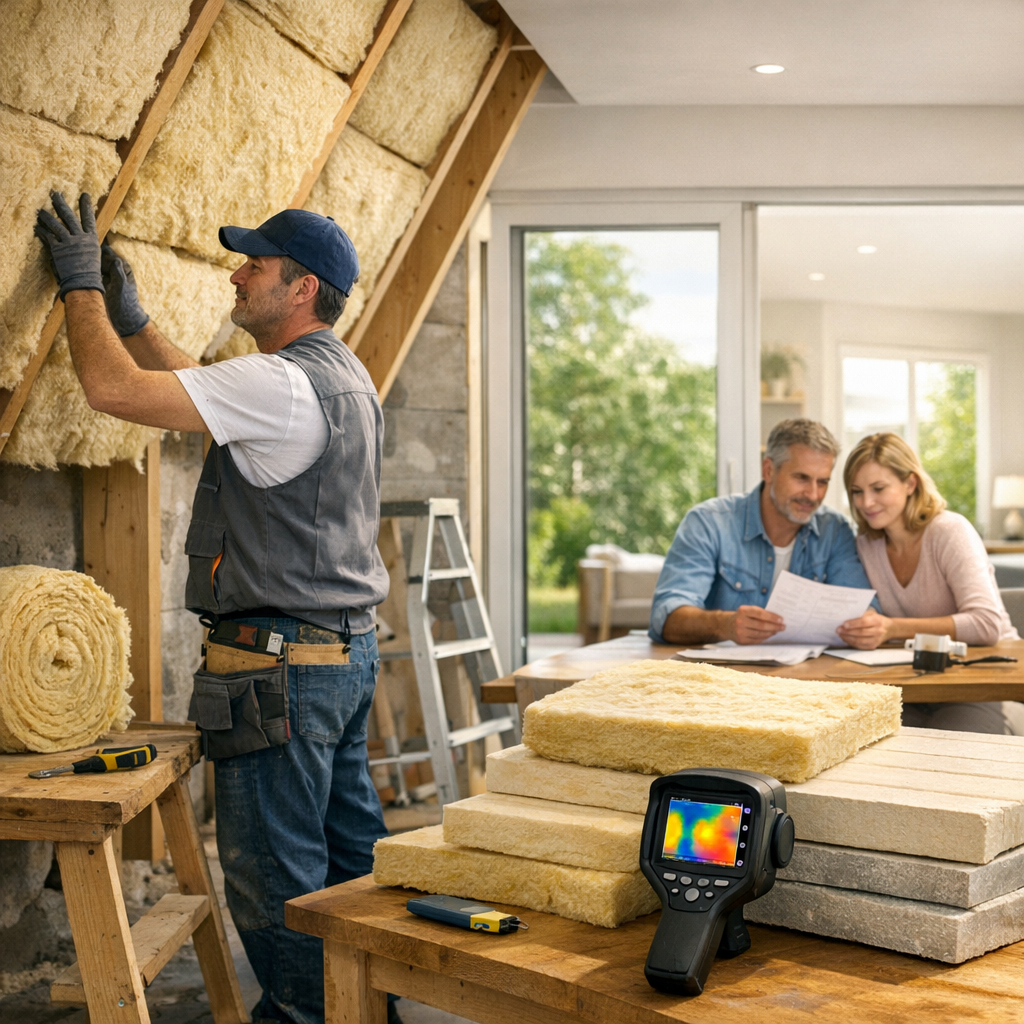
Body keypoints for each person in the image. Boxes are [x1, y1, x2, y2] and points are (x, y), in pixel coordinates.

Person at [35, 192, 393, 1024]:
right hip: (340, 658)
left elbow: (115, 393)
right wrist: (133, 317)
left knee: (278, 890)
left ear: (300, 288)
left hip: (280, 671)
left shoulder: (280, 383)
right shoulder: (339, 375)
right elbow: (199, 391)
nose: (238, 274)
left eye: (255, 265)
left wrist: (79, 287)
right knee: (345, 882)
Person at [836, 432, 1021, 735]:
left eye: (878, 488)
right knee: (870, 743)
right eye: (857, 491)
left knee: (940, 749)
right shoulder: (866, 545)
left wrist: (892, 627)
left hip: (984, 684)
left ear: (910, 483)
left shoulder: (949, 531)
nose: (866, 502)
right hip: (917, 686)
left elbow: (987, 624)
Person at [650, 418, 875, 645]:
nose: (813, 494)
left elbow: (864, 608)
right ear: (768, 470)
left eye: (823, 482)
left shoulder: (834, 531)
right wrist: (724, 624)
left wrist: (867, 625)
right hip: (718, 674)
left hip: (804, 675)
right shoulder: (708, 523)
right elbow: (666, 617)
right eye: (801, 478)